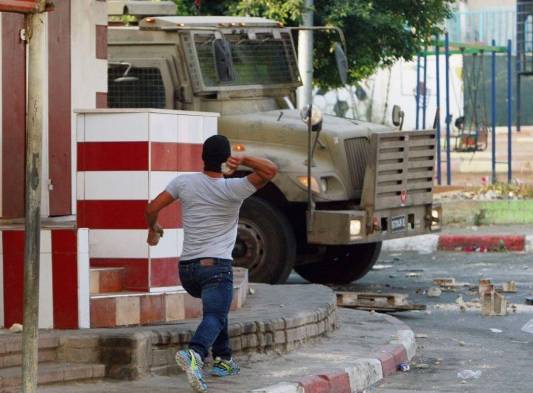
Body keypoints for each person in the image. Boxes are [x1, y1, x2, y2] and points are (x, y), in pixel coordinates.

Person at [144, 135, 277, 393]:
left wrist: (153, 228)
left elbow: (151, 208)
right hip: (216, 269)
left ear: (202, 157)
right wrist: (244, 158)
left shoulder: (184, 182)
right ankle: (194, 354)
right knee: (215, 314)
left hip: (188, 271)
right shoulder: (234, 188)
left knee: (218, 309)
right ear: (226, 160)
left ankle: (223, 360)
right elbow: (270, 170)